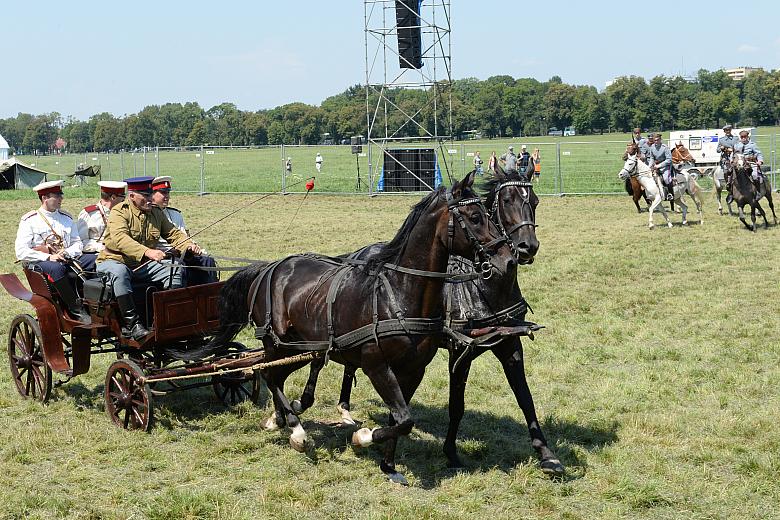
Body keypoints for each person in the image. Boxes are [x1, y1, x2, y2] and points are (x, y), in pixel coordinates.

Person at [96, 177, 201, 340]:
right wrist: (148, 252)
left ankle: (165, 320)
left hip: (143, 264)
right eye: (145, 195)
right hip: (113, 260)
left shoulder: (156, 213)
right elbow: (120, 239)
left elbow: (173, 233)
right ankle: (133, 325)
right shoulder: (119, 212)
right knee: (119, 273)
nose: (151, 199)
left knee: (174, 269)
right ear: (132, 196)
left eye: (151, 194)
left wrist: (188, 245)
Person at [14, 180, 91, 322]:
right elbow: (21, 251)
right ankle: (76, 310)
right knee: (56, 269)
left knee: (96, 259)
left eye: (61, 195)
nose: (62, 198)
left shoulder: (66, 218)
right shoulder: (29, 220)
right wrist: (49, 257)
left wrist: (66, 253)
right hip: (41, 262)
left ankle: (98, 304)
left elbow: (77, 243)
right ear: (44, 198)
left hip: (67, 257)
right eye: (57, 196)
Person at [150, 176, 218, 285]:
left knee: (207, 261)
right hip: (164, 257)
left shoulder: (175, 214)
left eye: (168, 193)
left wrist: (192, 246)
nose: (167, 197)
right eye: (163, 193)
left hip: (183, 253)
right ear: (152, 194)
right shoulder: (148, 216)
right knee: (180, 268)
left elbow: (183, 237)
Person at [77, 180, 127, 271]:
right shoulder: (89, 214)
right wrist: (101, 247)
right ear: (113, 197)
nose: (124, 201)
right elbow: (80, 242)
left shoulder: (124, 213)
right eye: (122, 197)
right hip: (95, 254)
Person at [733, 130, 764, 202]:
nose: (743, 138)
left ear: (748, 137)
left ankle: (757, 192)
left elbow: (759, 153)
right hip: (739, 164)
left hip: (750, 163)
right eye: (742, 137)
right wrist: (732, 160)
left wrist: (760, 161)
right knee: (730, 175)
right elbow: (733, 154)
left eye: (745, 137)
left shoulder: (752, 145)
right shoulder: (737, 145)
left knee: (755, 176)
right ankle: (731, 193)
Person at [648, 133, 673, 200]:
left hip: (665, 166)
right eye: (655, 140)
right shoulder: (652, 147)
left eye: (657, 140)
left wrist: (659, 166)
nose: (656, 141)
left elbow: (669, 159)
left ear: (660, 139)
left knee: (666, 179)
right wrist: (649, 166)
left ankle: (670, 194)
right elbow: (652, 157)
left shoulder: (665, 148)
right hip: (655, 165)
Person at [717, 125, 739, 204]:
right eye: (726, 130)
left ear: (731, 130)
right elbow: (718, 150)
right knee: (726, 171)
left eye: (729, 130)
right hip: (726, 159)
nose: (728, 131)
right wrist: (722, 148)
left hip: (734, 158)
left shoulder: (736, 139)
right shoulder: (721, 140)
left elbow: (739, 147)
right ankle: (728, 185)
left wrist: (732, 149)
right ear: (724, 131)